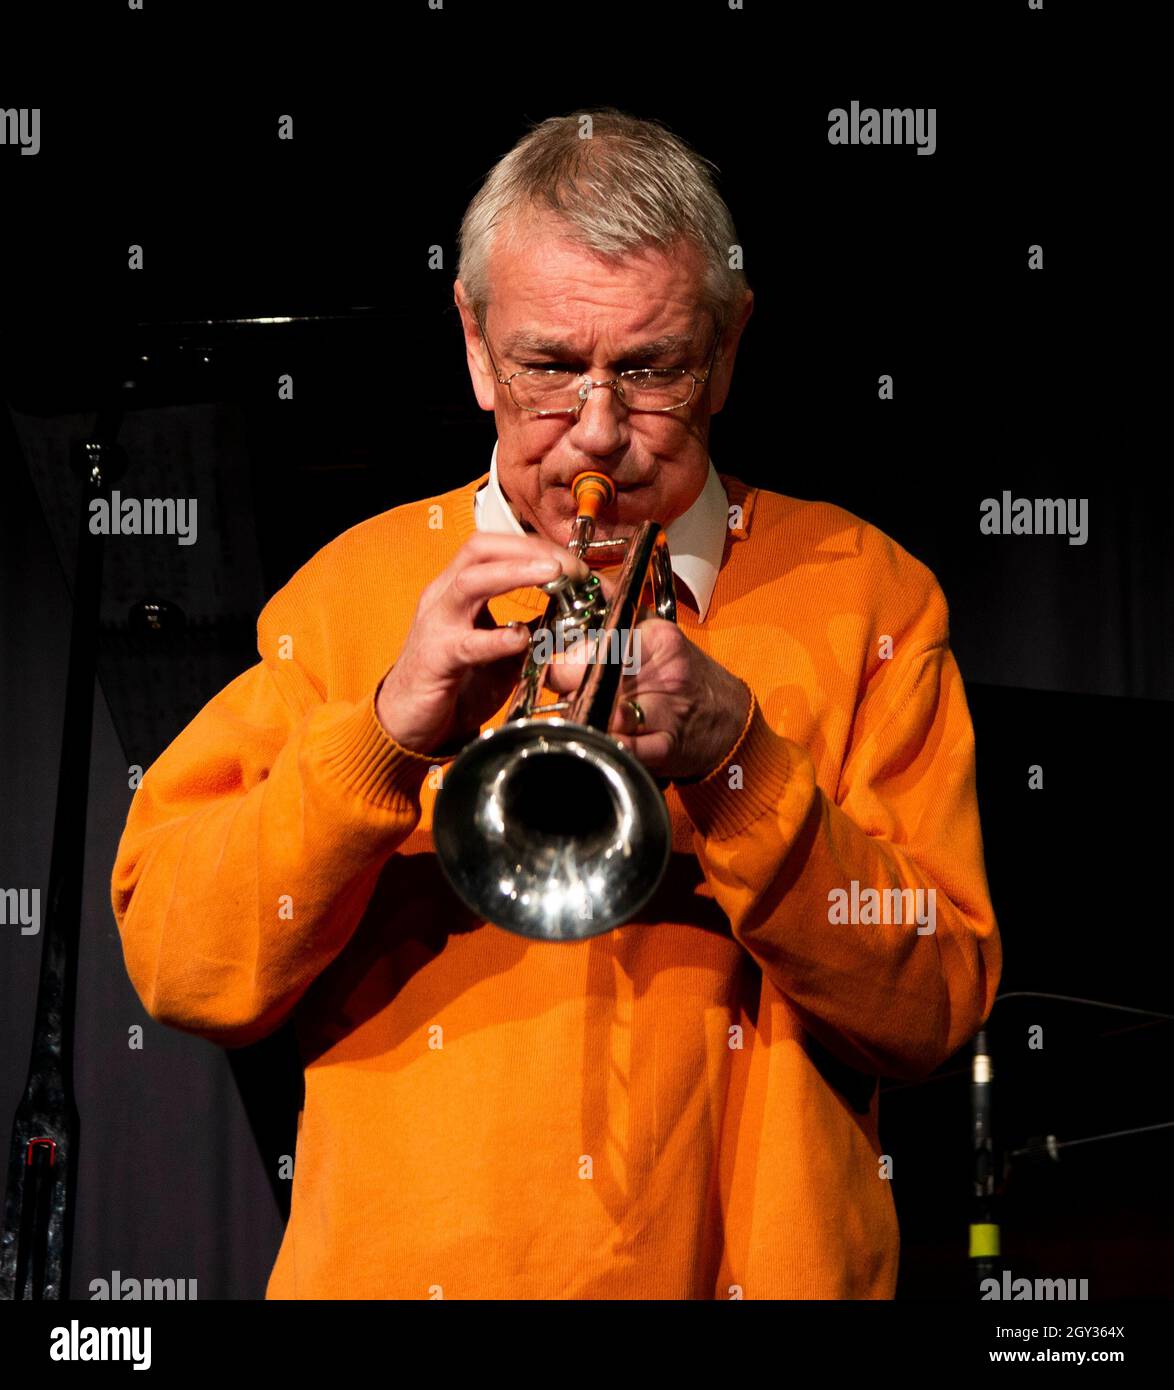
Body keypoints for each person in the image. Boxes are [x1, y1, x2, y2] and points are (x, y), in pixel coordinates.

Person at [110, 108, 1001, 1299]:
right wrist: (382, 735)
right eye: (548, 367)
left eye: (649, 370)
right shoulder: (347, 592)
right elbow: (182, 967)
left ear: (728, 349)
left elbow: (936, 1010)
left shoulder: (867, 594)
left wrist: (739, 762)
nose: (597, 435)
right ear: (476, 346)